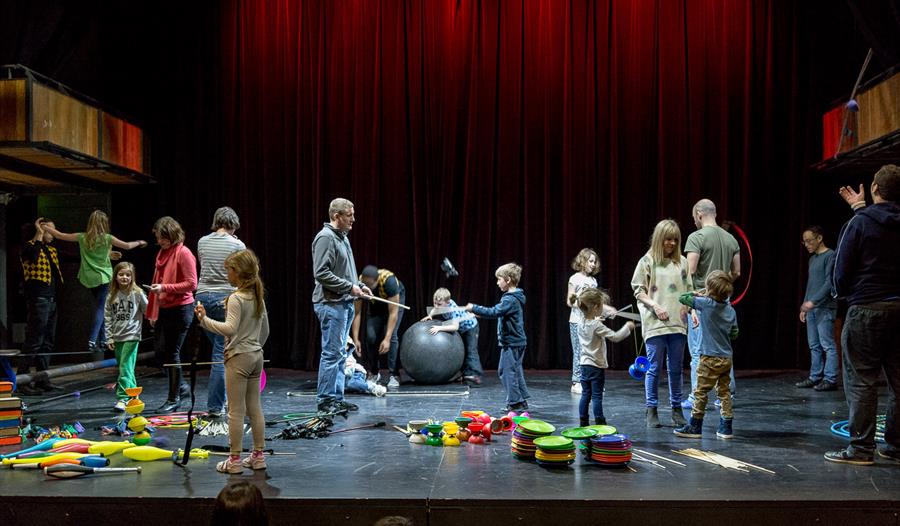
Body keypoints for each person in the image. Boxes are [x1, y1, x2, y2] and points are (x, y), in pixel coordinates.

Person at [825, 165, 900, 465]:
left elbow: (840, 271)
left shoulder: (859, 223)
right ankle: (895, 447)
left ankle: (860, 449)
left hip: (867, 308)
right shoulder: (864, 218)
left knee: (861, 380)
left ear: (874, 189)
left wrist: (843, 295)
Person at [196, 249, 269, 474]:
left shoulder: (236, 298)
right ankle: (258, 457)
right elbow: (265, 330)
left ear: (237, 272)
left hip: (239, 358)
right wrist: (254, 347)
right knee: (254, 409)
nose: (226, 274)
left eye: (228, 270)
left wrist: (204, 320)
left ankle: (234, 460)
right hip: (256, 356)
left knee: (235, 412)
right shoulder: (257, 296)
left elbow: (229, 328)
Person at [40, 210, 147, 353]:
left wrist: (44, 227)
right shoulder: (107, 238)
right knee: (102, 308)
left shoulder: (82, 237)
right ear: (104, 224)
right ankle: (92, 339)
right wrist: (140, 242)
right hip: (103, 277)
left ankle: (103, 340)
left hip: (89, 278)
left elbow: (60, 235)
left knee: (103, 307)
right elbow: (127, 246)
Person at [312, 198, 371, 414]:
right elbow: (321, 273)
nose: (353, 219)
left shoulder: (343, 238)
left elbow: (345, 272)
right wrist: (349, 287)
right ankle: (326, 400)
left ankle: (336, 398)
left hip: (344, 302)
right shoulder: (325, 238)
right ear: (336, 216)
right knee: (332, 353)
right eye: (349, 215)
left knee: (340, 353)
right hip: (331, 303)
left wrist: (359, 286)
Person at [631, 219, 692, 428]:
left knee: (676, 368)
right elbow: (638, 290)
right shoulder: (647, 261)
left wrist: (692, 311)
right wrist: (655, 306)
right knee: (654, 367)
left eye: (675, 240)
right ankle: (651, 409)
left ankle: (676, 410)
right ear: (659, 239)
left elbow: (688, 291)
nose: (672, 243)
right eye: (668, 239)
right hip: (654, 322)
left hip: (678, 322)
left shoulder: (682, 262)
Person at [683, 199, 740, 408]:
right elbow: (736, 272)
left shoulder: (696, 237)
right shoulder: (731, 239)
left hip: (701, 301)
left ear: (699, 214)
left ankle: (697, 396)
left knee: (698, 350)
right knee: (723, 347)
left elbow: (689, 272)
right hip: (724, 300)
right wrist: (721, 288)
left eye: (694, 218)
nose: (694, 222)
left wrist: (690, 304)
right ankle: (727, 394)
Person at [674, 271, 739, 439]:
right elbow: (734, 334)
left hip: (709, 357)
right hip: (726, 358)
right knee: (724, 392)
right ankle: (726, 427)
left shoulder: (705, 304)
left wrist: (696, 293)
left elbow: (683, 298)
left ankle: (695, 426)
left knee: (700, 392)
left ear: (709, 289)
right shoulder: (730, 310)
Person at [197, 207, 246, 418]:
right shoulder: (237, 245)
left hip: (202, 299)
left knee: (220, 350)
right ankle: (216, 406)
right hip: (225, 299)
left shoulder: (202, 241)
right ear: (233, 224)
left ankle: (222, 400)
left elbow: (204, 265)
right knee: (221, 354)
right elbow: (239, 273)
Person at [147, 216, 197, 413]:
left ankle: (173, 398)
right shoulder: (162, 253)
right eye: (158, 237)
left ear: (172, 235)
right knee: (161, 352)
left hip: (181, 309)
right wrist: (154, 310)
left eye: (163, 237)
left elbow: (191, 284)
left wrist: (164, 288)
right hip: (165, 307)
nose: (160, 241)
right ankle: (182, 387)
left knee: (171, 353)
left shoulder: (184, 253)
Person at [465, 263, 529, 412]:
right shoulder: (514, 297)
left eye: (499, 279)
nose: (497, 282)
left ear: (508, 280)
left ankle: (515, 402)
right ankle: (520, 401)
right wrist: (479, 313)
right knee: (514, 371)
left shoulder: (510, 299)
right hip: (516, 341)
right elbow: (500, 313)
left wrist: (474, 307)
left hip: (512, 342)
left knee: (506, 372)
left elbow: (495, 311)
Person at [573, 288, 635, 427]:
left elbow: (591, 324)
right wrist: (627, 327)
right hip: (596, 367)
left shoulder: (580, 322)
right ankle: (600, 422)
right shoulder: (596, 325)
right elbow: (615, 337)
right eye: (601, 305)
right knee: (597, 396)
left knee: (586, 395)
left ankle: (583, 422)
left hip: (584, 365)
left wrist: (596, 320)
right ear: (596, 307)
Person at [16, 219, 64, 395]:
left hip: (51, 299)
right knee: (34, 340)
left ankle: (42, 379)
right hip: (38, 299)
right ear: (41, 229)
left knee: (47, 341)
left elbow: (71, 257)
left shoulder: (51, 250)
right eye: (51, 230)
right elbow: (33, 257)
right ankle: (22, 380)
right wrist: (38, 233)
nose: (54, 234)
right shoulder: (28, 247)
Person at [796, 225, 838, 392]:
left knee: (827, 344)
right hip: (812, 308)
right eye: (804, 242)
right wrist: (804, 306)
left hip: (824, 307)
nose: (807, 244)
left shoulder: (831, 255)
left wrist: (813, 302)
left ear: (819, 238)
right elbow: (810, 284)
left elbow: (829, 283)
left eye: (809, 241)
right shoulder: (812, 259)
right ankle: (815, 376)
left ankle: (830, 379)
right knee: (814, 345)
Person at [566, 248, 612, 394]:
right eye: (590, 261)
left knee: (591, 352)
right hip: (577, 321)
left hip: (591, 322)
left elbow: (596, 303)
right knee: (579, 351)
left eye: (594, 262)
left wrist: (601, 312)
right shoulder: (574, 279)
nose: (593, 264)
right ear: (583, 261)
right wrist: (584, 306)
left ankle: (589, 381)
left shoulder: (593, 281)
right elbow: (569, 301)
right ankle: (576, 382)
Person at [351, 265, 406, 388]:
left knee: (392, 336)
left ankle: (394, 374)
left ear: (376, 281)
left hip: (393, 302)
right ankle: (374, 372)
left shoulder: (389, 282)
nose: (367, 287)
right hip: (376, 304)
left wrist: (386, 339)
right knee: (370, 337)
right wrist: (356, 339)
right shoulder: (360, 284)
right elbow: (357, 312)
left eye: (370, 285)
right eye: (365, 285)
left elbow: (393, 313)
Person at [104, 261, 148, 411]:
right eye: (121, 274)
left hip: (132, 335)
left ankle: (122, 398)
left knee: (124, 368)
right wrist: (109, 337)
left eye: (128, 275)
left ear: (132, 277)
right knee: (127, 368)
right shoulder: (111, 296)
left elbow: (148, 309)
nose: (124, 277)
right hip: (117, 337)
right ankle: (134, 396)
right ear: (115, 276)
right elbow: (108, 317)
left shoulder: (137, 293)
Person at [422, 287, 483, 386]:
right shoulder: (441, 304)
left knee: (471, 351)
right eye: (435, 303)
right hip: (462, 329)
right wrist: (431, 315)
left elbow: (455, 327)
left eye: (439, 304)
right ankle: (465, 374)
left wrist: (439, 328)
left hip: (471, 327)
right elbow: (435, 309)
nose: (436, 306)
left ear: (448, 302)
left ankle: (475, 375)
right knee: (463, 352)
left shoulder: (453, 309)